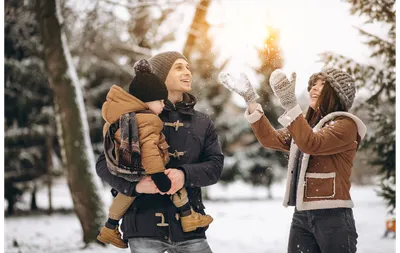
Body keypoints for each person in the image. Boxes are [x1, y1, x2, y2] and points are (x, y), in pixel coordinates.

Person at [219, 68, 366, 253]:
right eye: (313, 84)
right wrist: (251, 101)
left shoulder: (346, 125)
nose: (314, 88)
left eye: (322, 84)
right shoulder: (307, 127)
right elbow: (270, 139)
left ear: (337, 94)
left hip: (333, 215)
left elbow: (311, 144)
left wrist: (290, 104)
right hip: (302, 215)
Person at [96, 51, 224, 253]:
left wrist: (184, 174)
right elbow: (104, 164)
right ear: (161, 75)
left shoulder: (202, 122)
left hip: (190, 229)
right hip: (142, 225)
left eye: (188, 67)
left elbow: (215, 166)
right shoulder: (131, 118)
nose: (187, 72)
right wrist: (135, 187)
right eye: (179, 67)